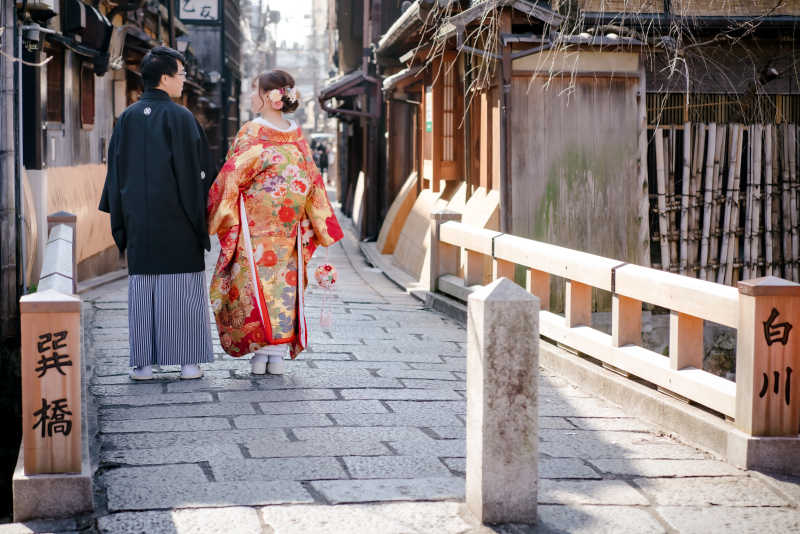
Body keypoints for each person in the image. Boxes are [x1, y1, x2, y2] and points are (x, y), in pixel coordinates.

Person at [206, 70, 343, 375]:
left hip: (253, 233)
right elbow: (313, 183)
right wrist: (323, 225)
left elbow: (230, 179)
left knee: (253, 288)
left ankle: (261, 354)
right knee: (284, 289)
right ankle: (276, 355)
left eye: (254, 90)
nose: (251, 96)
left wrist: (216, 213)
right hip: (288, 233)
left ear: (270, 96)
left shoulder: (252, 133)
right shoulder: (296, 138)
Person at [99, 46, 218, 381]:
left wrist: (125, 215)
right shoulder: (181, 118)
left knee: (143, 290)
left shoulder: (127, 118)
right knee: (183, 291)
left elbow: (115, 174)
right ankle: (189, 362)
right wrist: (201, 215)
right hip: (179, 222)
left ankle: (143, 364)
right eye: (181, 74)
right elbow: (201, 173)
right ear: (165, 78)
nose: (184, 80)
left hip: (138, 222)